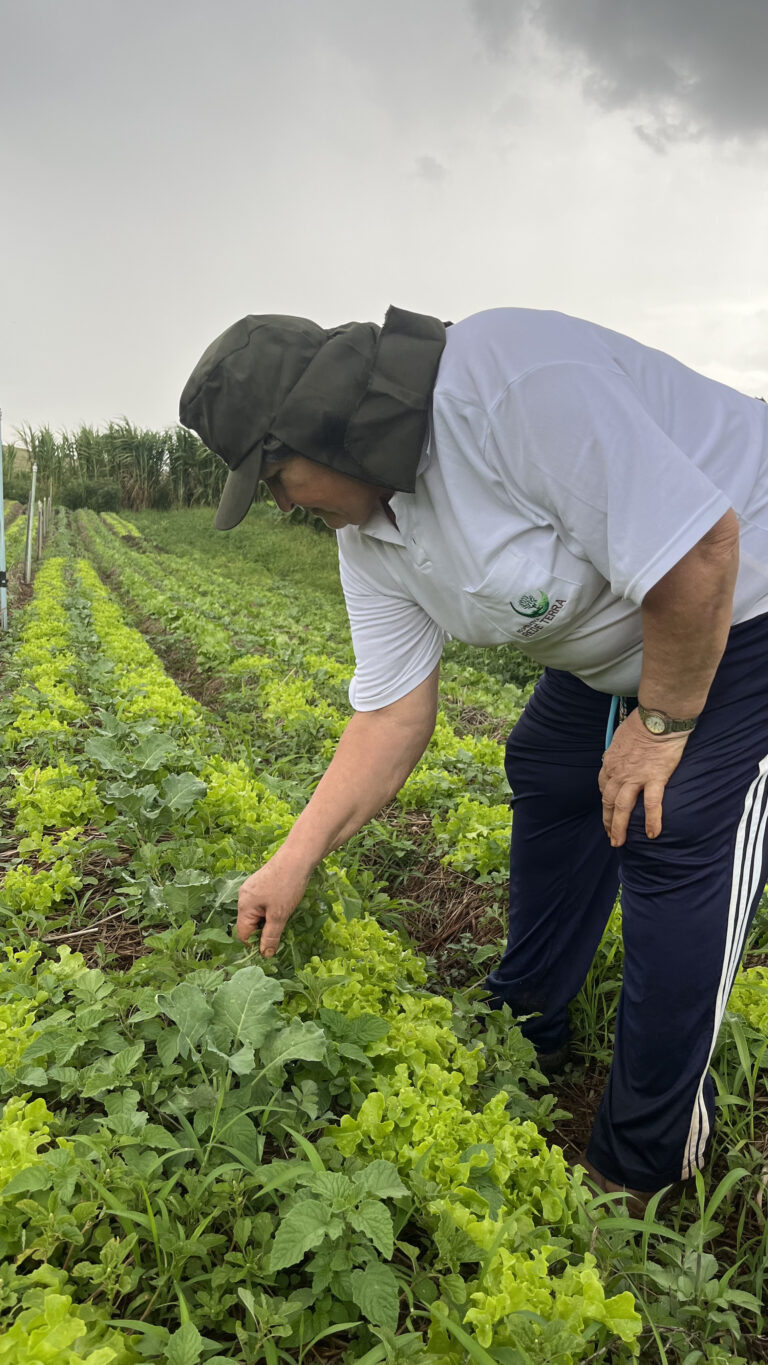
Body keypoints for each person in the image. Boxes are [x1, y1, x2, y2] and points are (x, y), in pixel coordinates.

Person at [179, 304, 768, 1202]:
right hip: (625, 629)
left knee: (675, 823)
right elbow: (388, 718)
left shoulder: (508, 381)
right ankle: (529, 1014)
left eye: (276, 478)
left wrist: (659, 725)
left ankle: (644, 1162)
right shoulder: (369, 533)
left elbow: (698, 551)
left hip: (741, 596)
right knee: (549, 764)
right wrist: (292, 858)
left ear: (319, 424)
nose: (285, 504)